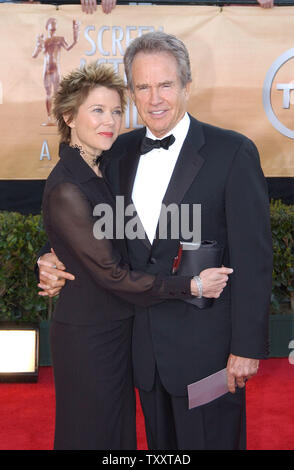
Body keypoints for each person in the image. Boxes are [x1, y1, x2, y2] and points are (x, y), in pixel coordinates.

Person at [38, 32, 272, 450]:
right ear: (132, 93)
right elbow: (91, 225)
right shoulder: (118, 153)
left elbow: (254, 259)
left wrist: (247, 347)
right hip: (140, 353)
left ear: (186, 84)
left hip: (209, 354)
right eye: (143, 87)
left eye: (165, 84)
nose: (155, 98)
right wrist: (52, 256)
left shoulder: (232, 152)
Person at [32, 17, 80, 126]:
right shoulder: (43, 40)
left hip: (55, 69)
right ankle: (49, 118)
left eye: (55, 24)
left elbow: (69, 47)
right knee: (48, 94)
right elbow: (34, 55)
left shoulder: (60, 39)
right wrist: (38, 45)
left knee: (57, 94)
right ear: (47, 26)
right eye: (52, 24)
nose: (54, 27)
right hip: (47, 69)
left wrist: (76, 33)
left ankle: (58, 119)